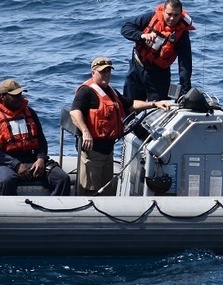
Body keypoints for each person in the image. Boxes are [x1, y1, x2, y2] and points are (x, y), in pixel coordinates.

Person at [69, 56, 170, 196]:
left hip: (108, 151)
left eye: (108, 71)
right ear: (93, 72)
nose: (106, 74)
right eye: (102, 71)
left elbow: (131, 104)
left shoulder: (110, 91)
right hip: (92, 152)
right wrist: (85, 132)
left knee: (106, 190)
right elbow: (74, 112)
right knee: (90, 190)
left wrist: (154, 104)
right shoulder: (86, 91)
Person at [0, 79, 72, 197]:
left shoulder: (30, 113)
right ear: (2, 96)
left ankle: (55, 210)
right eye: (15, 96)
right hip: (5, 163)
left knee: (62, 178)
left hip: (32, 159)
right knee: (7, 180)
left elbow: (41, 140)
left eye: (20, 94)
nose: (20, 98)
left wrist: (40, 158)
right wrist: (16, 164)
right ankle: (11, 212)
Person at [120, 0, 194, 101]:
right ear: (163, 11)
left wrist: (185, 91)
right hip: (137, 67)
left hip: (159, 74)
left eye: (176, 15)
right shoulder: (150, 18)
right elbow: (126, 28)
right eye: (169, 14)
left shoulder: (182, 33)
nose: (172, 19)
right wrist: (142, 35)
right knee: (129, 106)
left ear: (181, 14)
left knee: (160, 107)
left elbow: (185, 65)